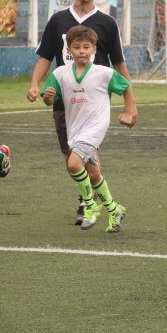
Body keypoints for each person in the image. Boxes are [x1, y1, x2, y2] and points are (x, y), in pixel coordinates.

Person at [26, 0, 135, 224]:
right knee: (70, 152)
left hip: (94, 98)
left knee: (84, 150)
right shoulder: (58, 20)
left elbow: (119, 63)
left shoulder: (107, 23)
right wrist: (34, 84)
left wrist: (130, 106)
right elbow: (44, 56)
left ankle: (89, 203)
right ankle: (102, 201)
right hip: (65, 96)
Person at [40, 25, 136, 232]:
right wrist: (48, 97)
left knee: (74, 164)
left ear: (94, 50)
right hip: (75, 130)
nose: (82, 50)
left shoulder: (104, 73)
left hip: (95, 127)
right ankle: (114, 209)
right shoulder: (60, 74)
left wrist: (129, 109)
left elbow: (126, 86)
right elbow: (50, 100)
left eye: (86, 46)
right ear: (68, 51)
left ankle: (90, 206)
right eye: (77, 47)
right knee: (93, 174)